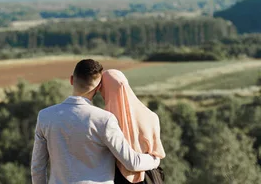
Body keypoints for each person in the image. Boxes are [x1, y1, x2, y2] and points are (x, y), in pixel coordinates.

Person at [31, 59, 161, 184]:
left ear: (71, 79)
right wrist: (155, 159)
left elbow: (37, 168)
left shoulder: (45, 116)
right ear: (98, 87)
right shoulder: (105, 120)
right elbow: (132, 162)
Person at [100, 69, 166, 184]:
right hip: (151, 176)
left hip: (119, 178)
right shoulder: (151, 115)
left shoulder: (105, 120)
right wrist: (154, 161)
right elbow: (157, 153)